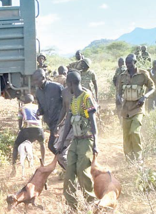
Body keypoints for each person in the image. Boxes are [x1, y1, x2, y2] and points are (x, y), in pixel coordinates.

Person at [56, 71, 98, 210]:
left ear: (70, 84)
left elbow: (93, 122)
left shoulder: (87, 98)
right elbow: (68, 122)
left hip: (86, 140)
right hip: (76, 140)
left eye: (67, 85)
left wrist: (95, 144)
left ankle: (90, 203)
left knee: (82, 171)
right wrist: (61, 143)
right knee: (69, 172)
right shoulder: (73, 100)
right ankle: (72, 206)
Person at [117, 54, 154, 161]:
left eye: (130, 63)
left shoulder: (143, 74)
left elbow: (152, 87)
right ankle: (129, 158)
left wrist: (144, 97)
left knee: (134, 132)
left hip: (138, 108)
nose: (128, 65)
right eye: (126, 63)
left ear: (135, 62)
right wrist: (119, 98)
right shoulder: (122, 76)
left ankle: (138, 158)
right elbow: (119, 92)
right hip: (126, 109)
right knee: (126, 135)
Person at [11, 94, 45, 177]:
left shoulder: (22, 107)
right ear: (33, 100)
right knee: (42, 144)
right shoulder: (37, 107)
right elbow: (41, 119)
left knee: (15, 146)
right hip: (38, 129)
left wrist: (21, 128)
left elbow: (20, 121)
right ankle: (43, 162)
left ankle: (13, 168)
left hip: (28, 129)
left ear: (24, 101)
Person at [32, 69, 64, 154]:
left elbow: (67, 103)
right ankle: (65, 164)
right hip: (51, 124)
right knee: (55, 147)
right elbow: (41, 108)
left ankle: (67, 164)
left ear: (43, 77)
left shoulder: (57, 87)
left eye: (36, 80)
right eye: (33, 80)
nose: (35, 82)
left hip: (61, 123)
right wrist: (38, 112)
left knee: (53, 146)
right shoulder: (38, 92)